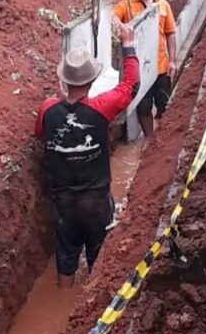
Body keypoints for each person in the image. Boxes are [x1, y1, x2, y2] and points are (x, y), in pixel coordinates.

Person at [35, 30, 140, 288]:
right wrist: (128, 46)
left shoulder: (48, 109)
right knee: (99, 256)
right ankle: (90, 304)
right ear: (92, 81)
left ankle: (63, 302)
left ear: (64, 81)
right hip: (96, 201)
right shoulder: (101, 107)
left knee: (66, 254)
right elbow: (131, 87)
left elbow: (40, 134)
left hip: (64, 203)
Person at [112, 0, 177, 136]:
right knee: (143, 107)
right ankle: (150, 138)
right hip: (140, 70)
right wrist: (121, 26)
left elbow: (170, 33)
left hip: (161, 66)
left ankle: (163, 138)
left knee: (164, 103)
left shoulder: (162, 5)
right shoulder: (126, 5)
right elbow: (112, 17)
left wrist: (172, 60)